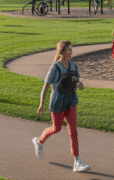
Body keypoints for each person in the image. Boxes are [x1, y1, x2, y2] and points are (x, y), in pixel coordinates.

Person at [32, 40, 90, 173]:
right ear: (62, 52)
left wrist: (80, 85)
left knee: (73, 132)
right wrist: (41, 104)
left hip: (71, 102)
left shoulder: (74, 66)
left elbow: (76, 82)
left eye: (71, 50)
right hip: (58, 104)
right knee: (56, 128)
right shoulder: (55, 68)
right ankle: (39, 142)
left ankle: (77, 162)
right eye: (69, 50)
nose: (71, 52)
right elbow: (45, 87)